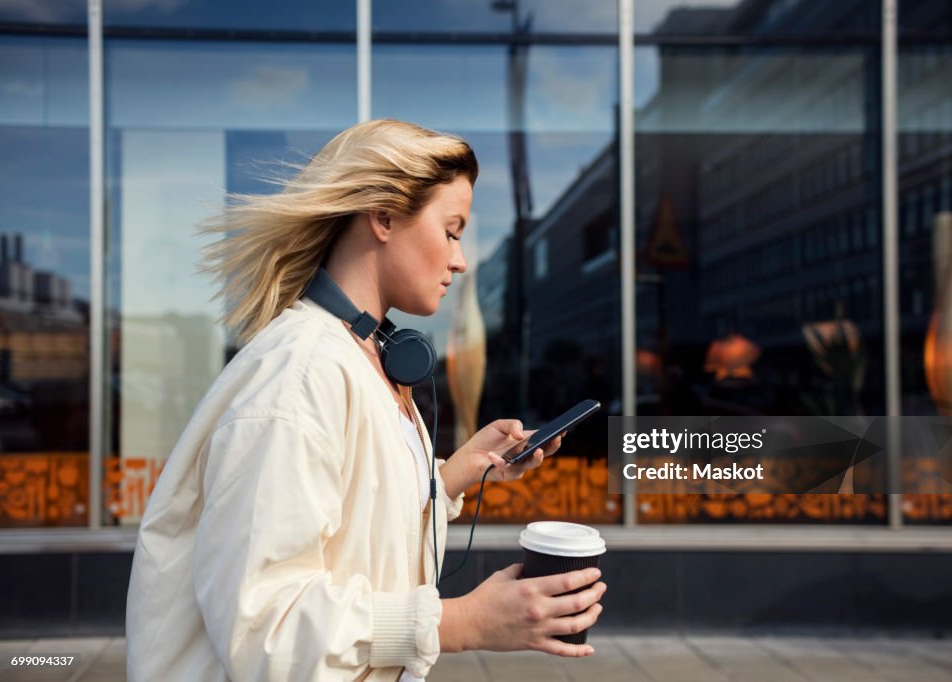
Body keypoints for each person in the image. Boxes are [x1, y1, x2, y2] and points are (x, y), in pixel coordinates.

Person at [125, 119, 607, 681]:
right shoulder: (298, 376)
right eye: (452, 231)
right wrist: (459, 623)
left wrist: (450, 478)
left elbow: (355, 529)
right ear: (382, 217)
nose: (460, 261)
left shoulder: (363, 355)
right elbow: (264, 628)